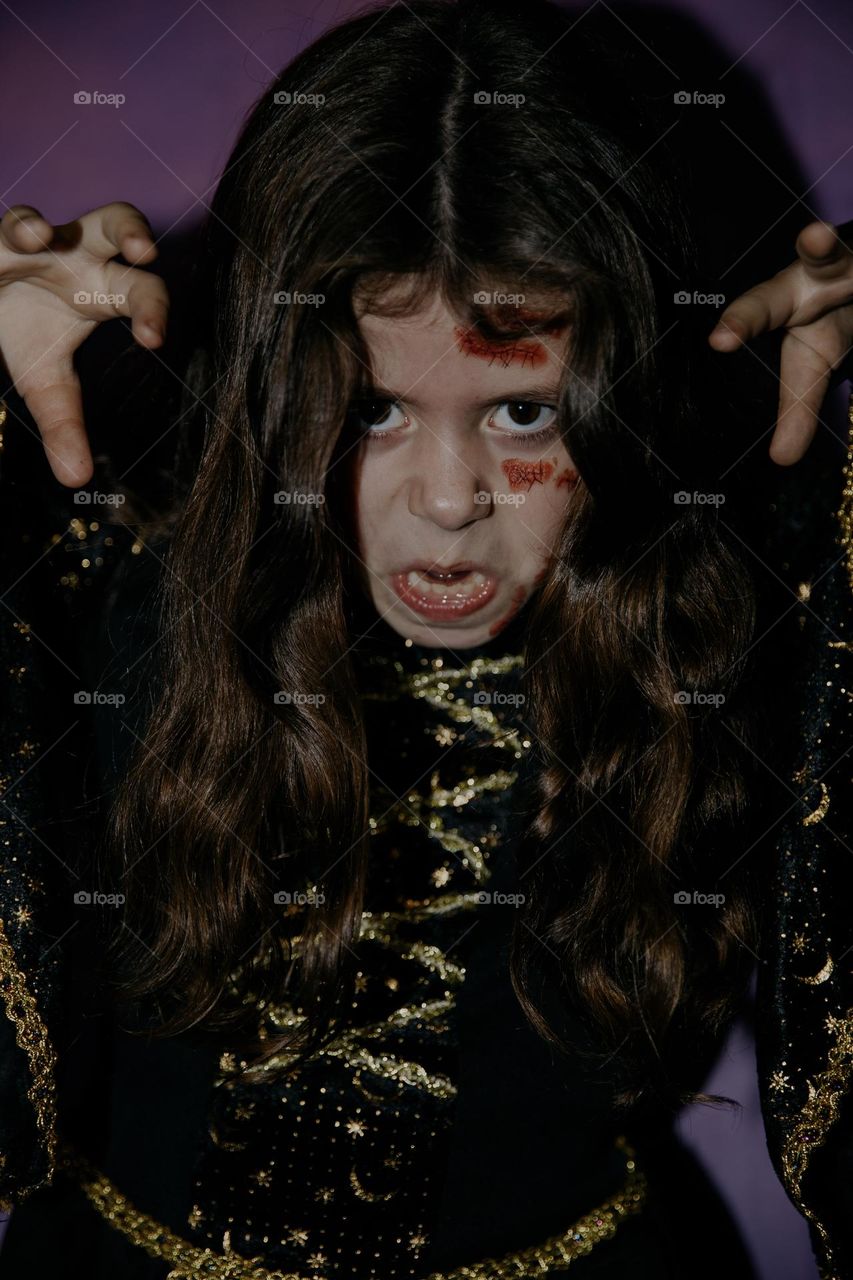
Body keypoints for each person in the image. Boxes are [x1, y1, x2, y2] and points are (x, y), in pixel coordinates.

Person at [0, 1, 852, 1277]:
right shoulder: (108, 560)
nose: (449, 498)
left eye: (522, 411)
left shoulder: (746, 603)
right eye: (373, 408)